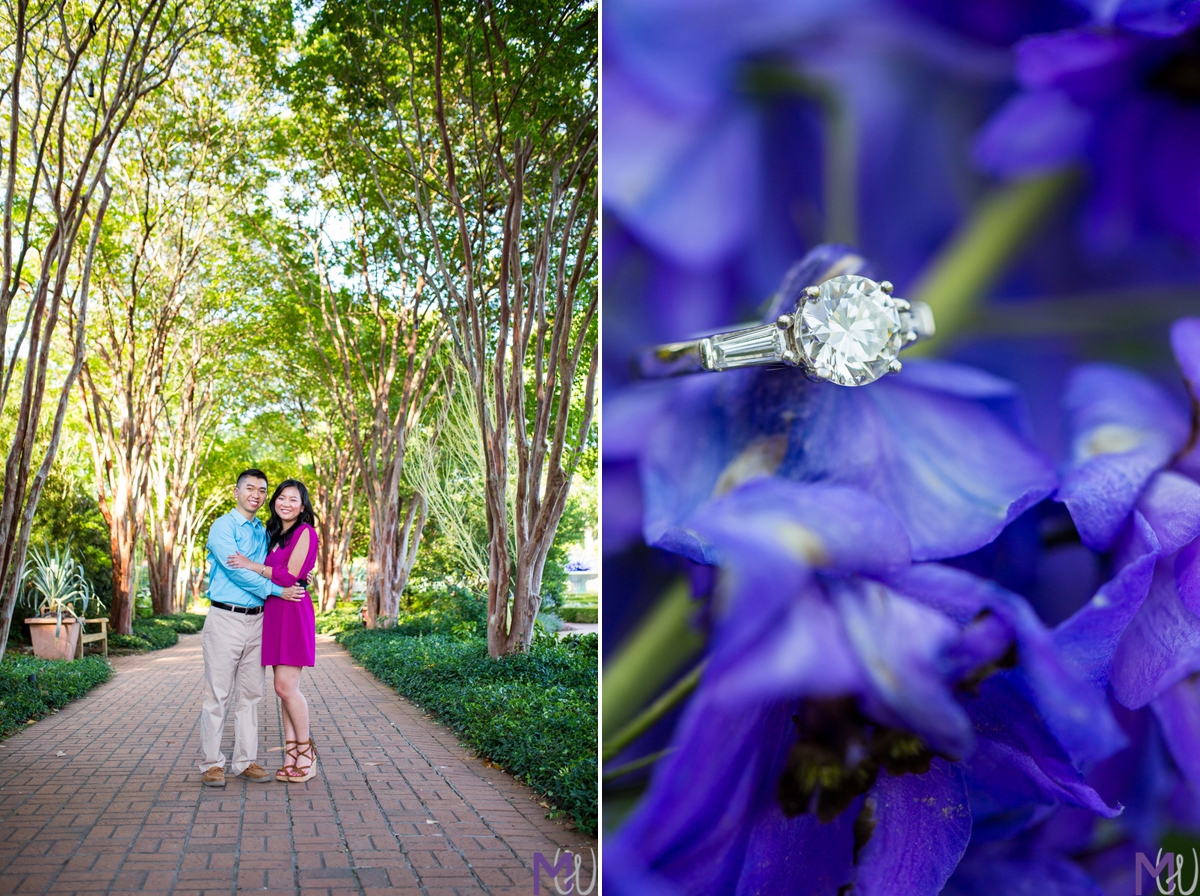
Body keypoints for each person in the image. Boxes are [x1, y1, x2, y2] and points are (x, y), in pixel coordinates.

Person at [198, 469, 303, 788]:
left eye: (262, 490)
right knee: (218, 694)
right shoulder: (223, 526)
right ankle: (211, 764)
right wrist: (277, 590)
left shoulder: (264, 530)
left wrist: (298, 578)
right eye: (250, 489)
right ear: (237, 491)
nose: (256, 495)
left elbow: (278, 566)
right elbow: (236, 571)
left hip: (259, 620)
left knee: (251, 694)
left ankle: (244, 761)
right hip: (225, 618)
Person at [227, 479, 320, 782]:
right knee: (283, 690)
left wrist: (250, 565)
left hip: (292, 609)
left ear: (303, 506)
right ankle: (291, 753)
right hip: (275, 610)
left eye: (294, 500)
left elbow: (288, 574)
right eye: (281, 498)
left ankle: (306, 752)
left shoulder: (305, 532)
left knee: (286, 688)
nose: (286, 503)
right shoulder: (274, 534)